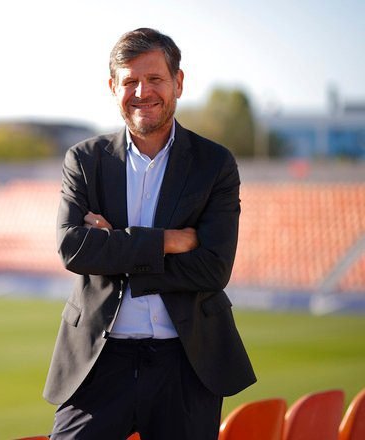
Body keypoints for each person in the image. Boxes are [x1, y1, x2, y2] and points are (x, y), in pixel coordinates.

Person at [43, 28, 256, 439]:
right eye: (130, 81)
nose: (142, 92)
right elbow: (74, 249)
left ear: (178, 82)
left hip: (187, 364)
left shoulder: (214, 163)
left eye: (155, 78)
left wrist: (115, 247)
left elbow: (212, 269)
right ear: (113, 87)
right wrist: (166, 242)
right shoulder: (84, 159)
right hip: (98, 361)